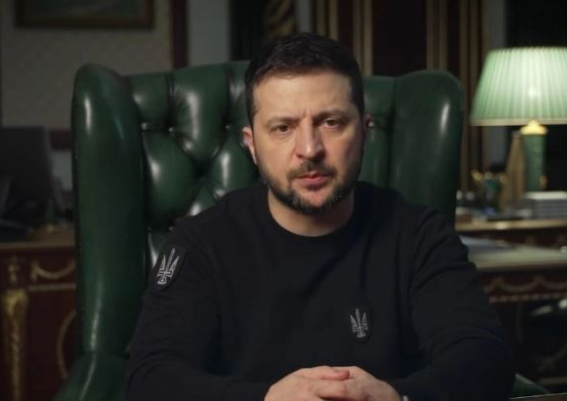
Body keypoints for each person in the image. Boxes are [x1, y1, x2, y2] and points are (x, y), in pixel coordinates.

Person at [126, 32, 513, 401]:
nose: (309, 149)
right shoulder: (201, 244)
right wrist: (265, 398)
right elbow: (151, 379)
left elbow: (484, 358)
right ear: (252, 145)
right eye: (283, 128)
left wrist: (399, 396)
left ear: (364, 131)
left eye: (331, 123)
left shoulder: (418, 234)